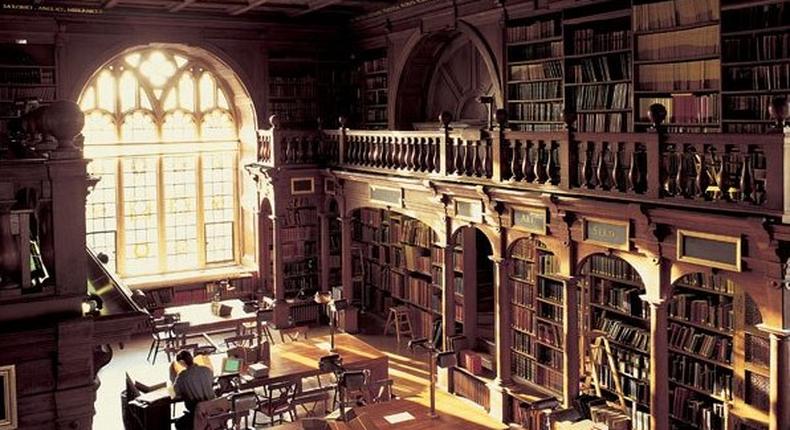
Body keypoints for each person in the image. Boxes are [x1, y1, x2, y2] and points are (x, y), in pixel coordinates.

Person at [173, 350, 216, 430]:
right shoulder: (207, 370)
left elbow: (176, 393)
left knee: (179, 423)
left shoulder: (182, 377)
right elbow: (212, 383)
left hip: (198, 414)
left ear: (182, 362)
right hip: (213, 410)